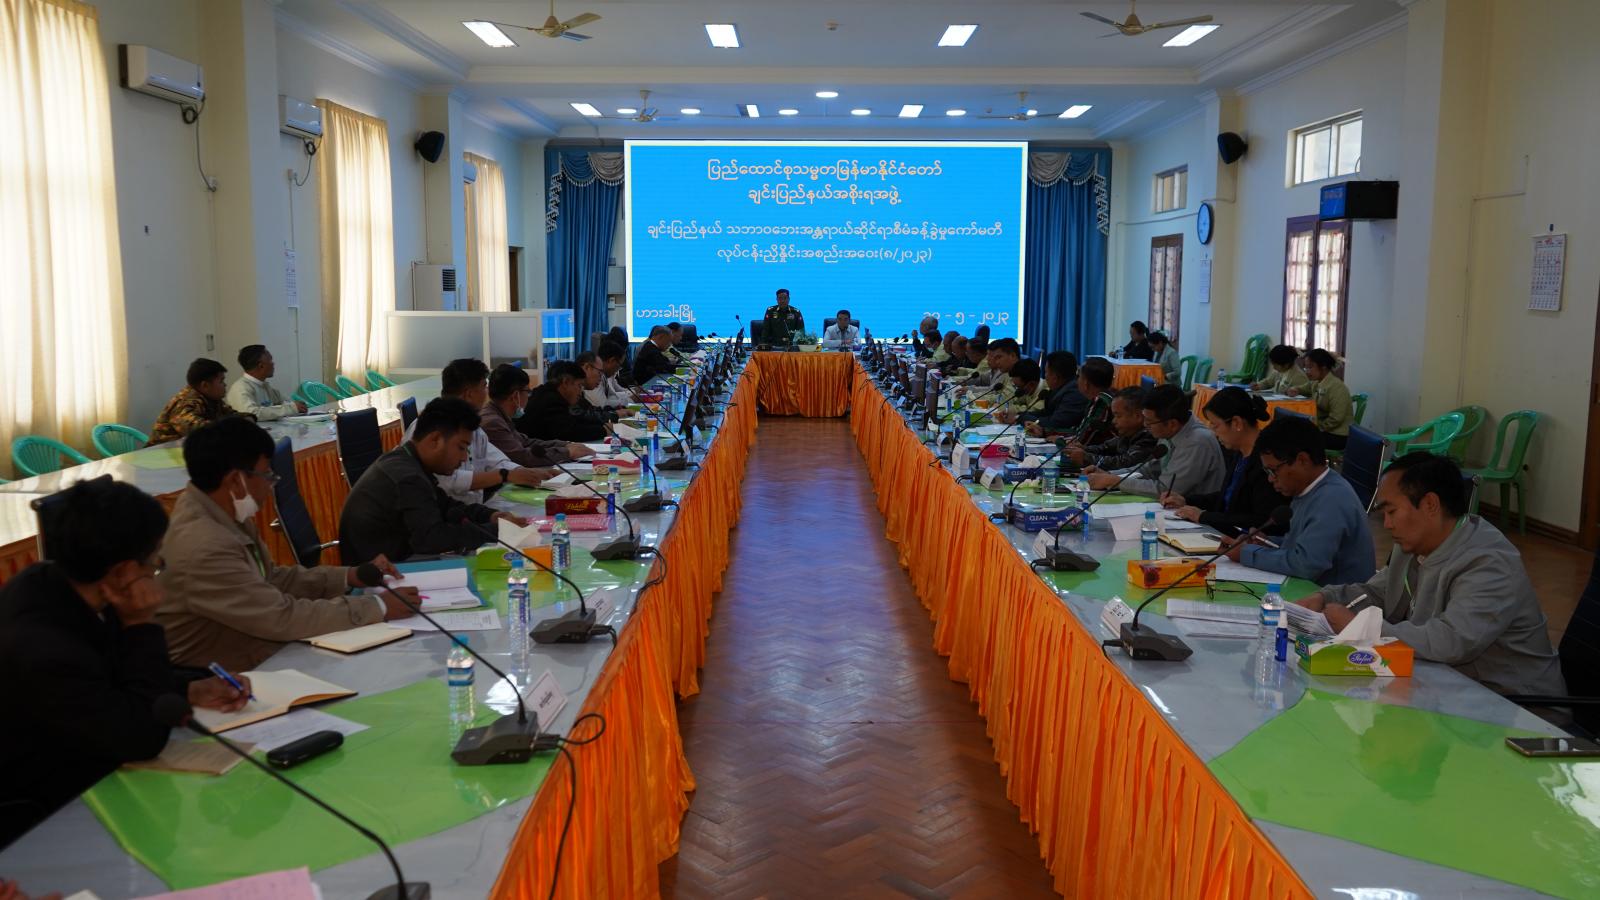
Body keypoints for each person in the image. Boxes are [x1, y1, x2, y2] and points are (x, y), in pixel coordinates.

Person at [0, 478, 249, 846]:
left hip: (90, 766)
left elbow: (109, 675)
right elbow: (141, 738)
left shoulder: (59, 582)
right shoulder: (43, 648)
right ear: (122, 572)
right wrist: (141, 624)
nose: (156, 569)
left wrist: (189, 687)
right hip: (48, 817)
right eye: (154, 561)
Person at [154, 418, 414, 672]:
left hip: (252, 651)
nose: (271, 485)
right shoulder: (205, 544)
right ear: (235, 481)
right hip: (218, 677)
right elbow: (279, 617)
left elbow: (271, 579)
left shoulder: (223, 510)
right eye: (267, 474)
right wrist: (377, 607)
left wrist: (348, 576)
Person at [1295, 453, 1564, 696]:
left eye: (1391, 511)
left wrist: (1363, 628)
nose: (1386, 524)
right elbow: (1378, 593)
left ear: (1430, 504)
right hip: (1449, 688)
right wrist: (1326, 597)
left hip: (1515, 707)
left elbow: (1452, 640)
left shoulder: (1489, 562)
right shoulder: (1413, 544)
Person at [339, 397, 526, 564]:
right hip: (380, 574)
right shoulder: (406, 476)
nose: (463, 458)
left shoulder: (408, 459)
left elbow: (446, 506)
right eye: (461, 448)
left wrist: (490, 516)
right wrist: (496, 530)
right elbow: (432, 538)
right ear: (435, 440)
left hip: (398, 559)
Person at [1228, 416, 1374, 584]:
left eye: (1273, 471)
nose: (1270, 479)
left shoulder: (1332, 499)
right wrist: (1265, 542)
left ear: (1302, 460)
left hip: (1338, 596)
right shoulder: (1308, 489)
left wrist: (1248, 554)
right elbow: (1301, 545)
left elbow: (1307, 565)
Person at [406, 359, 553, 505]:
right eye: (484, 386)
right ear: (469, 394)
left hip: (472, 508)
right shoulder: (431, 426)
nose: (487, 393)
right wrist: (504, 475)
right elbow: (447, 482)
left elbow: (495, 459)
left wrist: (523, 472)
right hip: (444, 511)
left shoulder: (473, 427)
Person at [1161, 387, 1288, 535]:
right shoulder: (1239, 452)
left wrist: (1204, 516)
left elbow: (1262, 520)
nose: (1214, 433)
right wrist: (1186, 500)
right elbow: (1227, 497)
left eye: (1215, 426)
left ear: (1236, 423)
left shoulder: (1266, 462)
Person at [1087, 383, 1224, 499]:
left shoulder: (1197, 442)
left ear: (1172, 424)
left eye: (1149, 421)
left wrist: (1115, 481)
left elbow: (1165, 490)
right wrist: (1109, 475)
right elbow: (1149, 470)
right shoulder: (1170, 430)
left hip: (1194, 513)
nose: (1145, 425)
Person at [480, 364, 590, 469]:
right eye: (527, 391)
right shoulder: (492, 422)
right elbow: (522, 457)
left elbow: (526, 442)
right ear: (515, 396)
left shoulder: (500, 415)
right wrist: (567, 452)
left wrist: (566, 445)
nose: (529, 396)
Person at [148, 358, 248, 445]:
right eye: (221, 381)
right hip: (161, 453)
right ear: (205, 385)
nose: (225, 385)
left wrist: (246, 418)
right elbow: (196, 430)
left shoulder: (213, 399)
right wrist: (231, 426)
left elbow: (231, 415)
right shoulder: (186, 401)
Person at [1066, 387, 1157, 470]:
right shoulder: (1127, 433)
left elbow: (1125, 463)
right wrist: (1083, 449)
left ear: (1137, 417)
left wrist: (1087, 458)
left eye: (1118, 416)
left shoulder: (1148, 437)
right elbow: (1105, 448)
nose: (1113, 421)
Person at [521, 361, 609, 442]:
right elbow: (569, 432)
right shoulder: (550, 401)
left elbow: (573, 421)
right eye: (579, 385)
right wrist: (604, 430)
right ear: (566, 382)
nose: (580, 391)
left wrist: (603, 426)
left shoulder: (548, 394)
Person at [1287, 348, 1353, 450]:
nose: (1307, 371)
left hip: (1338, 435)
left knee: (1297, 439)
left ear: (1323, 367)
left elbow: (1336, 419)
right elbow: (1304, 388)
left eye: (1310, 367)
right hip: (1324, 429)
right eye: (1305, 368)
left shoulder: (1337, 387)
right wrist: (1296, 389)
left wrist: (1316, 427)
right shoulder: (1316, 382)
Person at [225, 345, 306, 421]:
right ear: (261, 366)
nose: (273, 363)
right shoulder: (240, 388)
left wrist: (297, 405)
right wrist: (291, 408)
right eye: (270, 360)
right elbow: (251, 413)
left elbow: (285, 402)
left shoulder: (264, 386)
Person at [1025, 352, 1089, 435]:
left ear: (1055, 378)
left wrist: (1022, 418)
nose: (1045, 376)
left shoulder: (1074, 393)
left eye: (1046, 372)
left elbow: (1054, 424)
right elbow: (1046, 413)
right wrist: (1021, 415)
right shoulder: (1060, 387)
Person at [1061, 356, 1116, 444]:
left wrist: (1059, 440)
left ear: (1086, 383)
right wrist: (1047, 432)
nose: (1077, 381)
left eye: (1079, 377)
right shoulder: (1106, 396)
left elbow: (1082, 441)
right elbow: (1080, 430)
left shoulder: (1101, 402)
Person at [993, 359, 1046, 424]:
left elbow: (1031, 411)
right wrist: (1004, 408)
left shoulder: (1045, 393)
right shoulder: (1028, 388)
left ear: (1031, 384)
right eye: (1015, 386)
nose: (1017, 389)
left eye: (1019, 386)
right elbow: (1013, 400)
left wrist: (1010, 411)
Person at [584, 341, 633, 409]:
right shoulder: (595, 376)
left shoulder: (604, 375)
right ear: (612, 360)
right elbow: (601, 405)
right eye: (619, 365)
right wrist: (630, 399)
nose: (618, 370)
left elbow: (612, 396)